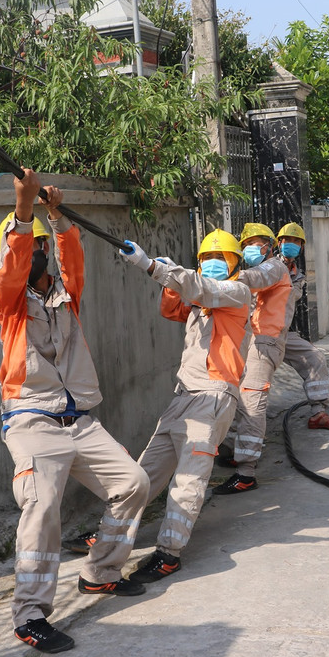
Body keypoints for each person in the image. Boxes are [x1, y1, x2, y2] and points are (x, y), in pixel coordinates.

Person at [0, 169, 150, 654]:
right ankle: (30, 614)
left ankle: (100, 572)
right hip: (31, 420)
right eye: (32, 245)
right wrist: (24, 212)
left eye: (42, 245)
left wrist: (58, 217)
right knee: (41, 507)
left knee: (133, 484)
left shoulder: (67, 297)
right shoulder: (9, 304)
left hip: (79, 421)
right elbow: (12, 269)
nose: (39, 252)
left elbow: (73, 259)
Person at [117, 229, 252, 581]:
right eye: (206, 259)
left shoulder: (237, 293)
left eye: (220, 259)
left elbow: (201, 287)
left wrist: (152, 266)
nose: (212, 265)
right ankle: (111, 535)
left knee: (189, 480)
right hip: (183, 396)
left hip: (213, 396)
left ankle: (169, 553)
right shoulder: (200, 304)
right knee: (143, 474)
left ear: (235, 263)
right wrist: (169, 280)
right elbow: (172, 306)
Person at [213, 223, 295, 495]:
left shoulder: (274, 267)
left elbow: (254, 278)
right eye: (247, 243)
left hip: (265, 343)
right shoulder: (261, 271)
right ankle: (239, 452)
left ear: (269, 246)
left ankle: (246, 473)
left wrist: (219, 273)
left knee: (251, 403)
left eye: (257, 242)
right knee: (235, 397)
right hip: (252, 343)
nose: (251, 247)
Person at [277, 222, 329, 431]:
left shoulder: (298, 275)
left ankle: (318, 412)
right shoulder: (265, 267)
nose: (291, 244)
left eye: (296, 241)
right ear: (279, 242)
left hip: (282, 332)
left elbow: (289, 295)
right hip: (257, 335)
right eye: (287, 240)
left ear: (302, 247)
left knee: (315, 358)